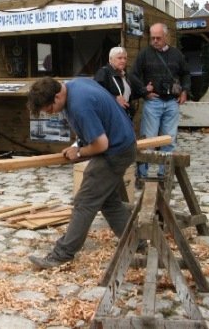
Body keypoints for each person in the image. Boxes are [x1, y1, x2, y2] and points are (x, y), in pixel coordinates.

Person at [27, 77, 137, 269]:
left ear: (57, 95)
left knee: (84, 202)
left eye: (50, 109)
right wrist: (77, 145)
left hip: (116, 151)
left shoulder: (80, 105)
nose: (51, 113)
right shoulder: (74, 85)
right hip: (122, 143)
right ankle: (137, 243)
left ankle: (61, 255)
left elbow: (101, 144)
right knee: (109, 203)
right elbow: (93, 127)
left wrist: (78, 152)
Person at [130, 23, 190, 182]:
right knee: (148, 140)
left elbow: (186, 74)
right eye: (153, 38)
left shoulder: (177, 54)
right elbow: (133, 75)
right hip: (153, 103)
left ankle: (165, 175)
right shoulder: (145, 54)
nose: (155, 41)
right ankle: (141, 175)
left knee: (169, 140)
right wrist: (144, 91)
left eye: (158, 38)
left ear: (166, 37)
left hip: (172, 103)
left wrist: (184, 91)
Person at [94, 46, 142, 120]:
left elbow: (129, 95)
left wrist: (145, 90)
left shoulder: (124, 75)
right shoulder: (104, 72)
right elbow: (96, 93)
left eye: (125, 58)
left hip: (124, 115)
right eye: (119, 58)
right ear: (110, 59)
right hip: (110, 115)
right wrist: (114, 98)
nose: (123, 61)